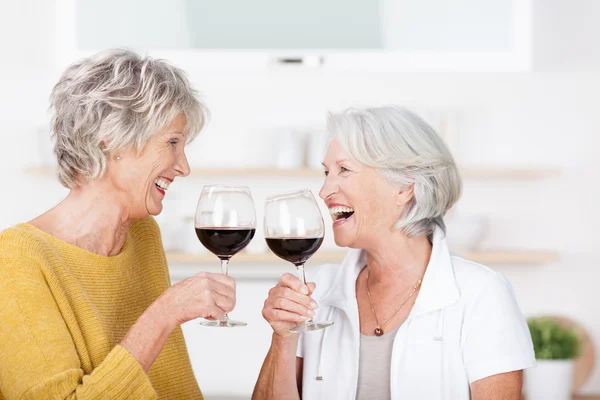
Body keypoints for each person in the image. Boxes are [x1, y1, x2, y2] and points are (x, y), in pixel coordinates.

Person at [253, 106, 536, 399]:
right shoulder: (318, 290)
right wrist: (283, 337)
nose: (324, 190)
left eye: (344, 170)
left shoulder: (481, 294)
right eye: (327, 172)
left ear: (404, 187)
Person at [0, 49, 233, 399]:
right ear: (110, 141)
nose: (183, 167)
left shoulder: (142, 235)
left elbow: (173, 383)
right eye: (172, 142)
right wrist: (164, 313)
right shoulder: (17, 259)